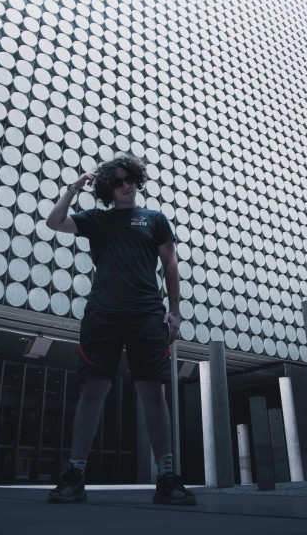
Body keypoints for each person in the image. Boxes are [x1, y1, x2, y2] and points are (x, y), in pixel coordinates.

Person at [46, 154, 197, 506]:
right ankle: (75, 474)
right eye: (116, 181)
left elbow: (170, 263)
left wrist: (174, 311)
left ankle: (167, 476)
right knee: (93, 391)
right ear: (107, 188)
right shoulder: (96, 219)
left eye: (129, 178)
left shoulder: (154, 219)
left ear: (137, 180)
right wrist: (72, 188)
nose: (125, 184)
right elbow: (54, 222)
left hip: (146, 315)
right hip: (103, 316)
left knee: (153, 393)